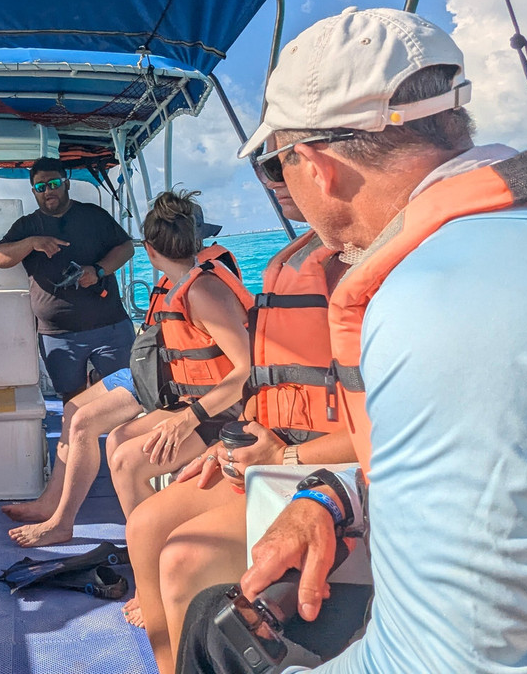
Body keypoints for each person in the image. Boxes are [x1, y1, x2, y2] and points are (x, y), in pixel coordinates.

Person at [177, 7, 527, 673]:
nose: (287, 193)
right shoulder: (520, 239)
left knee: (217, 635)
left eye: (279, 169)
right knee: (215, 619)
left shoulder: (444, 301)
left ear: (313, 164)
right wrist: (337, 494)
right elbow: (511, 457)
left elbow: (451, 663)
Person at [123, 178, 355, 674]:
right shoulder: (297, 263)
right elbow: (272, 380)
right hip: (272, 445)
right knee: (144, 525)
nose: (281, 177)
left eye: (288, 158)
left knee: (182, 557)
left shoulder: (363, 282)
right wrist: (236, 439)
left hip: (324, 467)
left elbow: (384, 429)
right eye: (272, 164)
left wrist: (279, 457)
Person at [3, 193, 244, 547]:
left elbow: (245, 367)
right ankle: (56, 507)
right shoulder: (179, 281)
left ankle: (91, 530)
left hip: (191, 393)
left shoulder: (204, 290)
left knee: (96, 429)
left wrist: (187, 417)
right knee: (74, 410)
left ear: (148, 248)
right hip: (158, 374)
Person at [0, 157, 135, 403]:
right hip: (58, 335)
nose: (48, 190)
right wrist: (31, 242)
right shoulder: (27, 226)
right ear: (34, 191)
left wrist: (99, 270)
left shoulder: (93, 215)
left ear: (66, 183)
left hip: (110, 326)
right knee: (72, 400)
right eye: (40, 187)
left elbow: (126, 248)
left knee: (123, 397)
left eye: (54, 183)